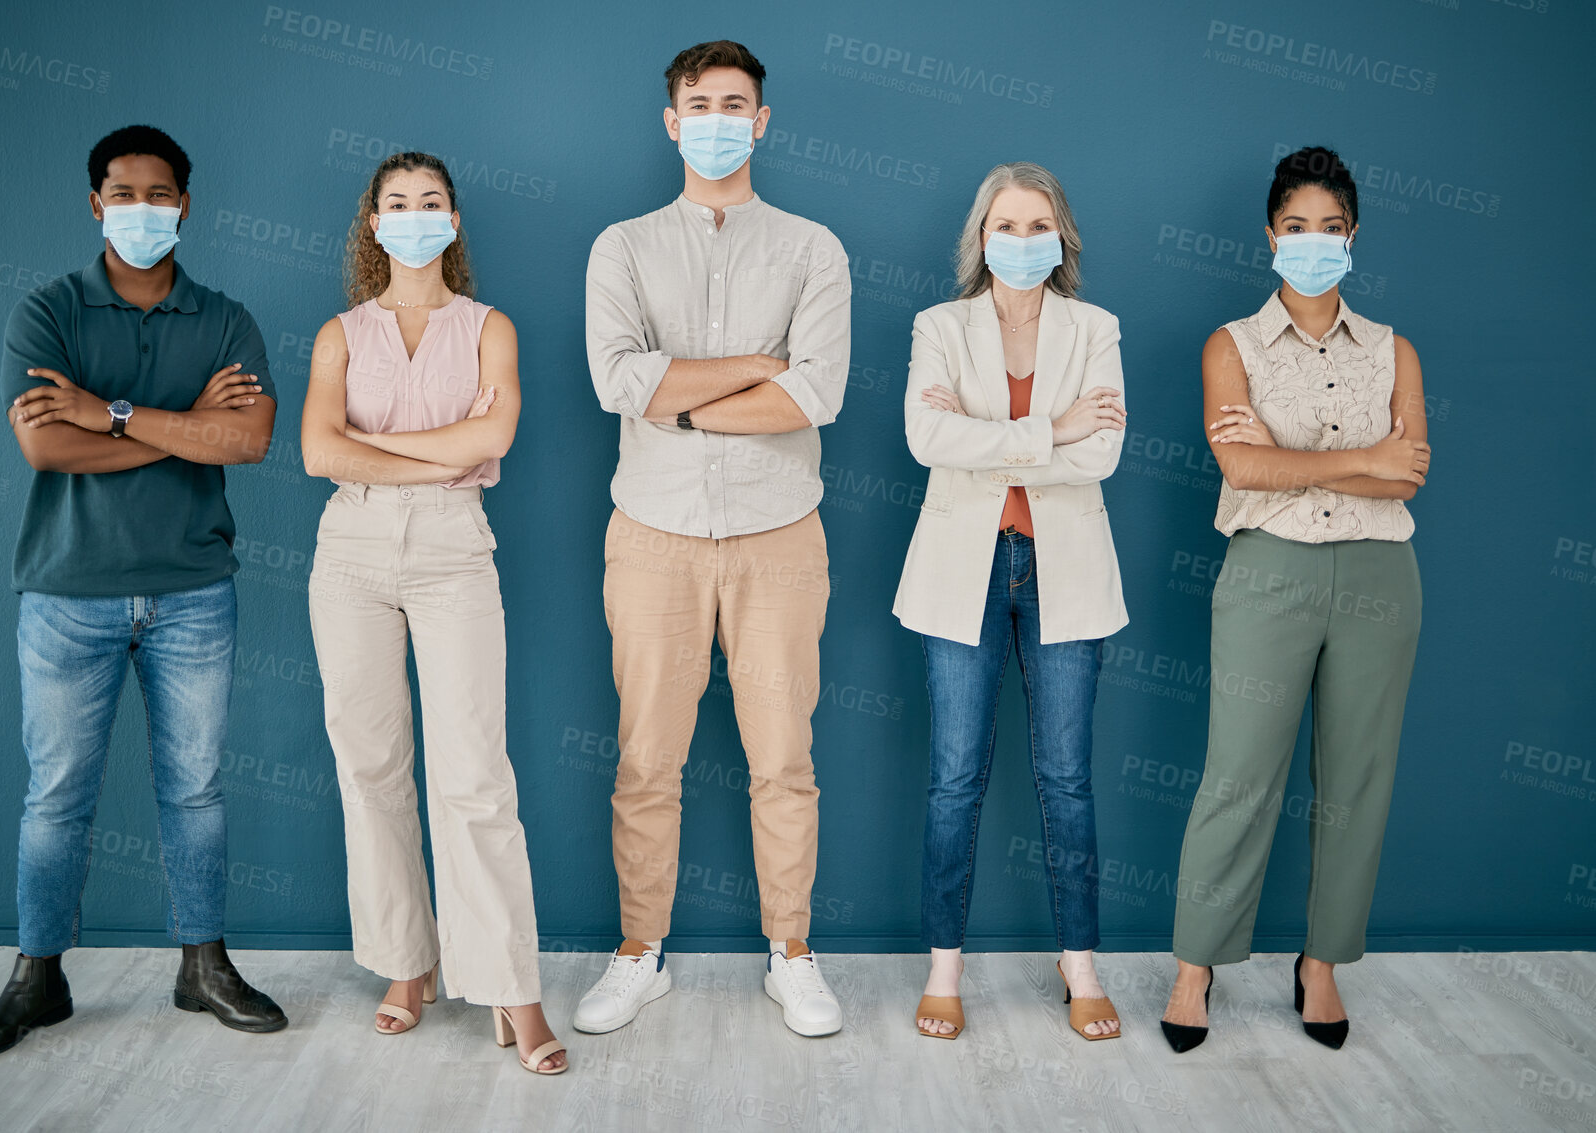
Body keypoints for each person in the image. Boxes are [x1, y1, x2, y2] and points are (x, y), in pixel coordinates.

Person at [0, 125, 286, 1062]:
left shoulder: (226, 320)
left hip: (192, 589)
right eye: (125, 194)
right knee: (56, 794)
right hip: (67, 591)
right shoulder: (46, 313)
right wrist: (185, 429)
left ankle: (203, 964)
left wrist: (115, 412)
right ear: (97, 203)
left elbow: (251, 441)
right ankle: (38, 976)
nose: (145, 210)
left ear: (187, 204)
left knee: (197, 790)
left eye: (162, 194)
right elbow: (49, 447)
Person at [577, 40, 852, 1038]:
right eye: (699, 103)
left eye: (735, 103)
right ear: (670, 119)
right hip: (651, 535)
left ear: (763, 119)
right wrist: (750, 369)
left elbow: (814, 391)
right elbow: (617, 380)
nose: (718, 117)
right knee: (647, 757)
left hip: (781, 531)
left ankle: (792, 953)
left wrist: (680, 396)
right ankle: (638, 951)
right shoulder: (623, 245)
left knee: (784, 756)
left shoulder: (813, 247)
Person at [299, 151, 565, 1075]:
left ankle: (511, 989)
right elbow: (315, 454)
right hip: (352, 555)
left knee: (474, 776)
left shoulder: (492, 328)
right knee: (370, 764)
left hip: (456, 548)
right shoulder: (340, 333)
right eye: (397, 203)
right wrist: (431, 452)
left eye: (431, 202)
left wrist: (372, 444)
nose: (414, 215)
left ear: (453, 219)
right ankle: (404, 965)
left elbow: (494, 438)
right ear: (372, 223)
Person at [1159, 146, 1429, 1054]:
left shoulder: (1395, 350)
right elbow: (1240, 466)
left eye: (1329, 228)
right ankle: (1193, 966)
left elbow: (1409, 478)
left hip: (1379, 579)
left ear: (1353, 238)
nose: (1312, 242)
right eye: (1295, 227)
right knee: (1237, 774)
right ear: (1268, 236)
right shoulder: (1227, 345)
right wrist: (1361, 459)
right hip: (1266, 570)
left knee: (1357, 781)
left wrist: (1295, 456)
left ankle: (1320, 965)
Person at [893, 162, 1129, 1042]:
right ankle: (943, 970)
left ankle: (1080, 968)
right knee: (954, 778)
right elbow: (926, 437)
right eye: (1005, 224)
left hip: (1064, 568)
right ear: (979, 236)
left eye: (1038, 226)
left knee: (1065, 778)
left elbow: (1100, 454)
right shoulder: (938, 325)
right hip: (962, 568)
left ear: (1060, 237)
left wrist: (989, 440)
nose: (1021, 241)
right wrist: (1050, 429)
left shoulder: (1095, 327)